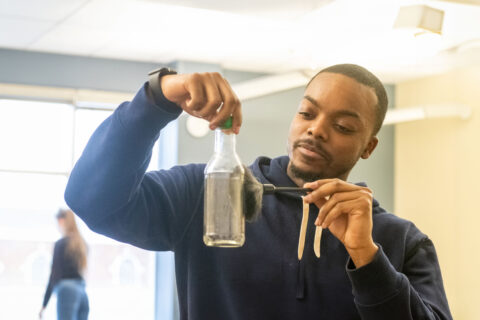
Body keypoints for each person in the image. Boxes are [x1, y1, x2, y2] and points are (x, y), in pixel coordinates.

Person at [65, 64, 452, 319]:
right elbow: (92, 200)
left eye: (344, 127)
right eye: (307, 113)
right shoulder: (208, 195)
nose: (316, 129)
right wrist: (157, 98)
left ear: (368, 146)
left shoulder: (402, 242)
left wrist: (368, 260)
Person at [39, 209, 89, 320]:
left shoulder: (61, 244)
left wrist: (44, 304)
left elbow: (54, 275)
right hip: (82, 291)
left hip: (66, 290)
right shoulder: (82, 244)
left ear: (61, 221)